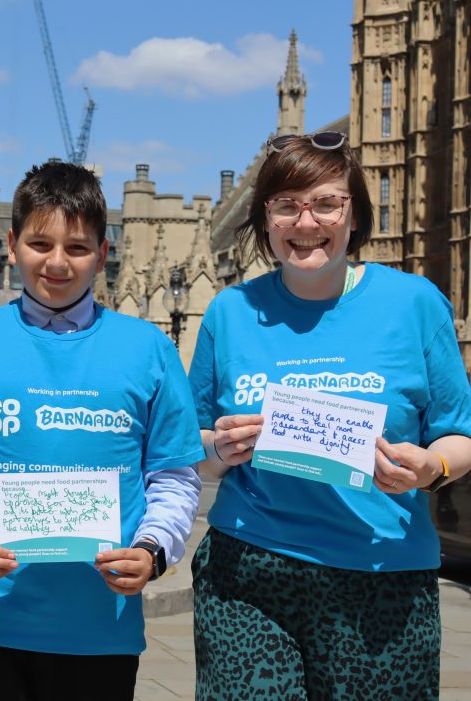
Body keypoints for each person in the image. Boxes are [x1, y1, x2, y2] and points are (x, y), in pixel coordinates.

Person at [0, 161, 203, 701]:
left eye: (78, 247)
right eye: (41, 244)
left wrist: (154, 549)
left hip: (99, 631)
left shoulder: (150, 350)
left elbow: (174, 478)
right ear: (13, 246)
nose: (58, 263)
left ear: (104, 253)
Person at [189, 131, 471, 700]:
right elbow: (188, 450)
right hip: (249, 570)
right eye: (286, 206)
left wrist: (431, 468)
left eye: (326, 203)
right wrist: (218, 450)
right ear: (265, 219)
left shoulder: (415, 304)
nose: (306, 222)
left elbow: (459, 435)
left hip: (383, 574)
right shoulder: (229, 312)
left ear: (354, 214)